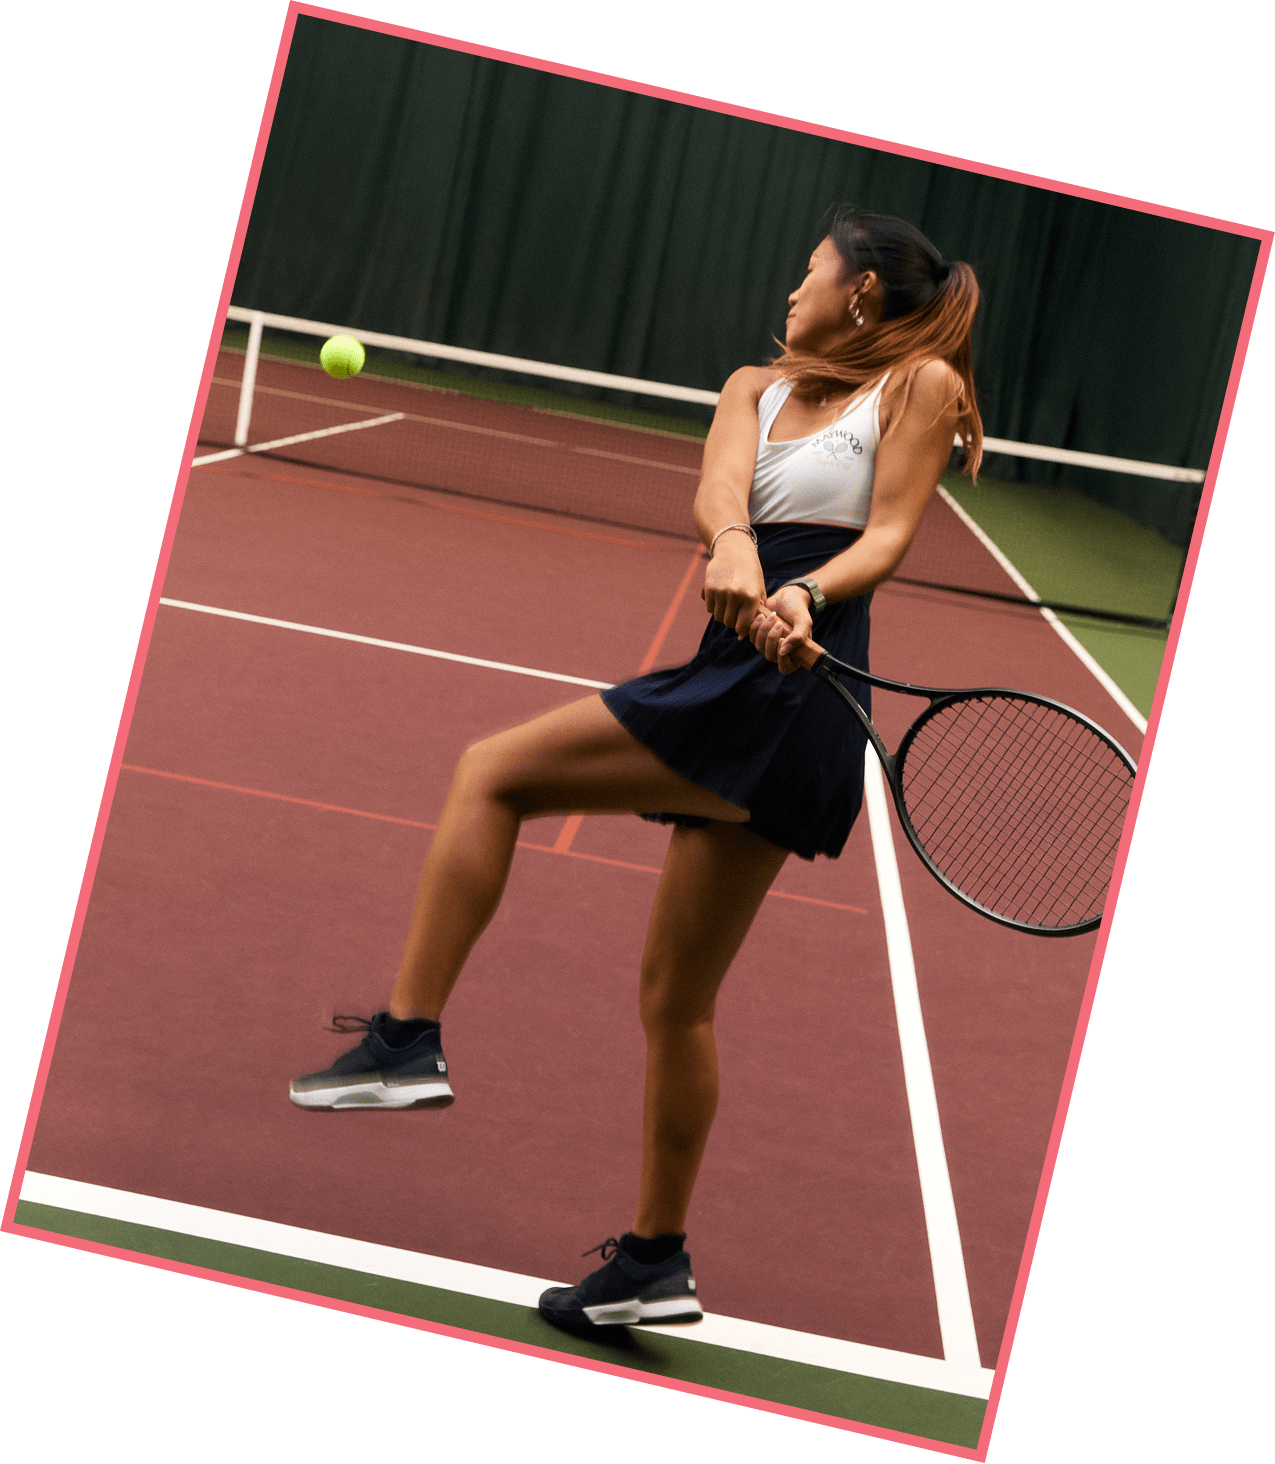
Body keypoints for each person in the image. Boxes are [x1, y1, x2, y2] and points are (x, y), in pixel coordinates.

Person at [289, 205, 984, 1330]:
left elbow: (890, 534)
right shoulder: (751, 385)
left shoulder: (920, 389)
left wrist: (807, 591)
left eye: (812, 272)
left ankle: (405, 1039)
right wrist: (736, 546)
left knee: (491, 773)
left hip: (796, 690)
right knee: (675, 999)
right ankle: (656, 1265)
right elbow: (717, 491)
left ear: (861, 290)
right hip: (729, 669)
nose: (794, 287)